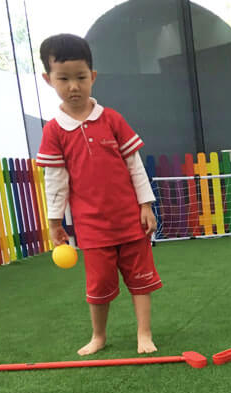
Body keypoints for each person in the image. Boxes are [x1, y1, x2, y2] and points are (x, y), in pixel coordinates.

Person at [36, 33, 162, 356]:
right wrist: (54, 222)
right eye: (63, 79)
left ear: (93, 77)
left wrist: (146, 205)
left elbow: (135, 166)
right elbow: (56, 181)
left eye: (80, 77)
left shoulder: (112, 119)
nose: (73, 86)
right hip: (92, 229)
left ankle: (144, 333)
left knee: (141, 279)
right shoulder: (53, 131)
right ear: (48, 80)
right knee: (98, 287)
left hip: (131, 221)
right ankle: (99, 335)